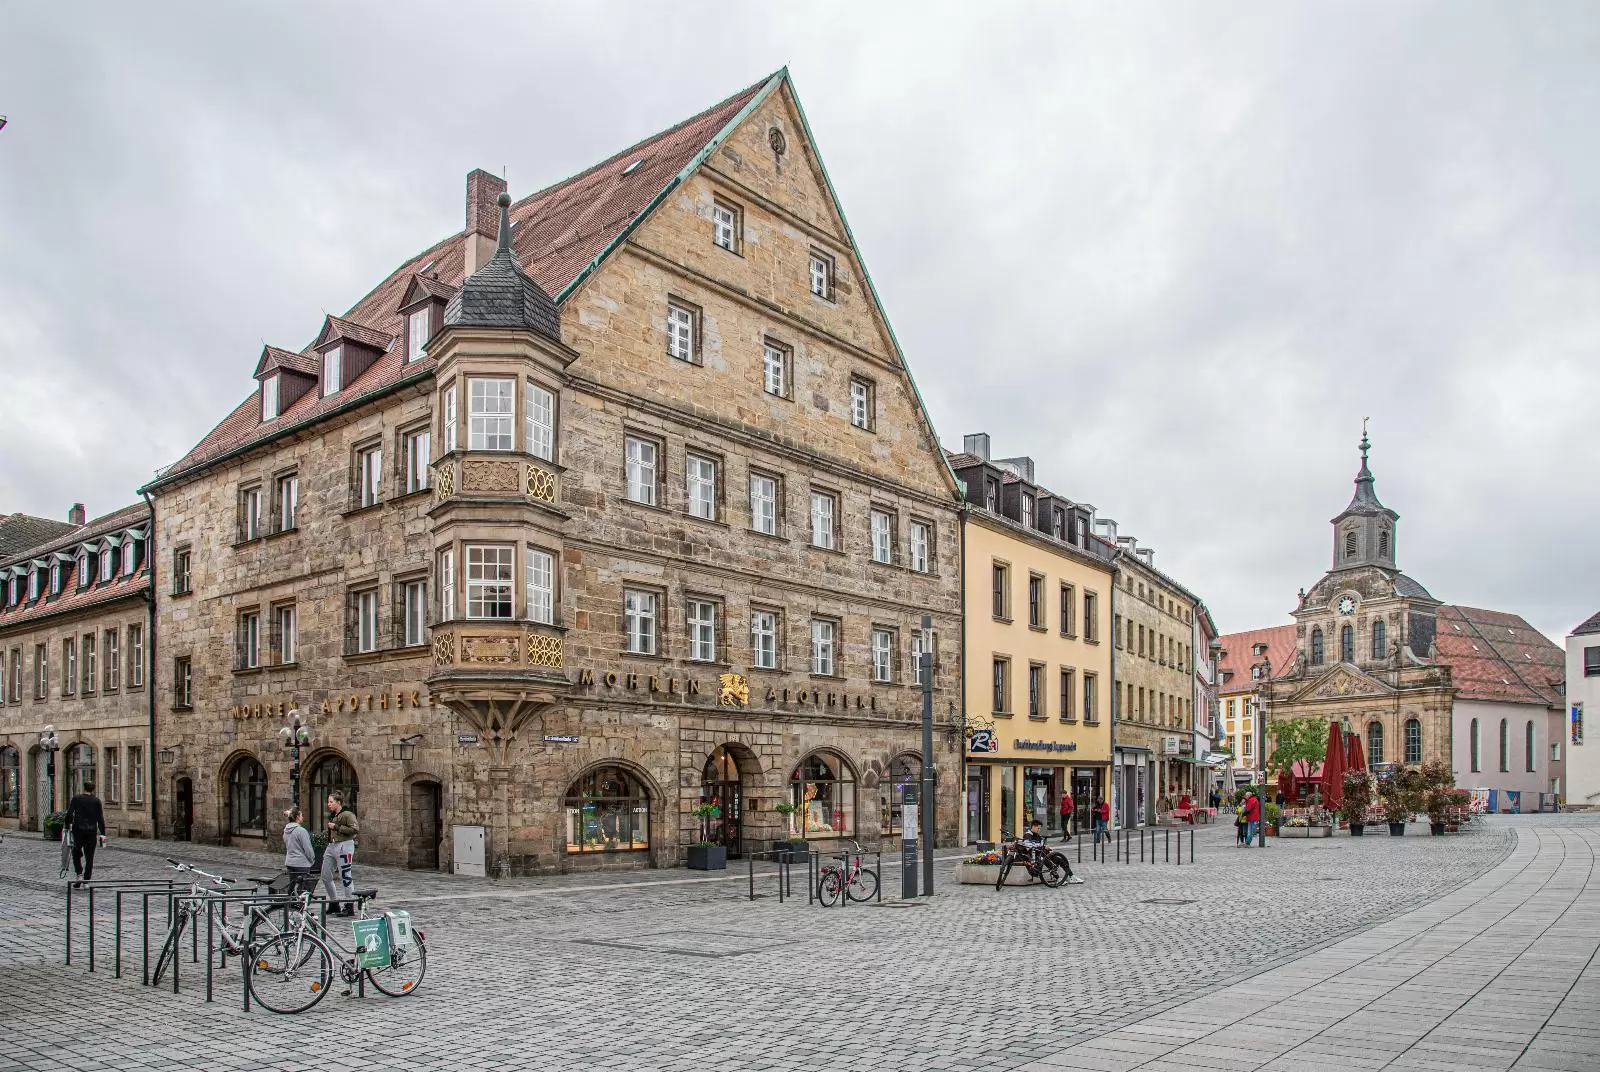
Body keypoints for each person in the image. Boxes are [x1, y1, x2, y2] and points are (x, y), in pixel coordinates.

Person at [321, 791, 359, 915]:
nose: (329, 804)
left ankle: (349, 904)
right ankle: (334, 902)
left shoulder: (347, 814)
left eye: (331, 802)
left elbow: (355, 829)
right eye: (328, 802)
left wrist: (336, 827)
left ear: (338, 802)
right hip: (332, 845)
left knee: (345, 875)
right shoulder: (334, 815)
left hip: (345, 845)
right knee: (326, 875)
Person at [66, 779, 106, 885]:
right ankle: (87, 880)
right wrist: (103, 833)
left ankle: (79, 875)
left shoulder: (76, 798)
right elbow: (100, 818)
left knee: (76, 852)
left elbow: (69, 813)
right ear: (93, 789)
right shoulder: (96, 801)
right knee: (90, 857)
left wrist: (67, 826)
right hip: (91, 831)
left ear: (84, 788)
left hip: (78, 830)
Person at [282, 807, 316, 889]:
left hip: (290, 863)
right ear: (297, 817)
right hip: (302, 863)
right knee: (303, 889)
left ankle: (292, 901)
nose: (302, 817)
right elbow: (308, 849)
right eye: (301, 815)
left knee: (292, 887)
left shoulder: (286, 830)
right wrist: (312, 859)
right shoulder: (301, 831)